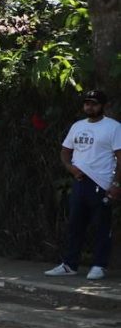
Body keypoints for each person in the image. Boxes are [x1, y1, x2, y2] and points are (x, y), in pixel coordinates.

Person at [44, 90, 121, 280]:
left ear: (102, 106)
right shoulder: (77, 126)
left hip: (101, 182)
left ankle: (99, 265)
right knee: (75, 225)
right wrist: (71, 168)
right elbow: (65, 151)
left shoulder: (113, 127)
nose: (90, 107)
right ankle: (70, 264)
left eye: (94, 103)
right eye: (87, 103)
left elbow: (120, 158)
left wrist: (116, 183)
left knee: (102, 225)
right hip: (79, 182)